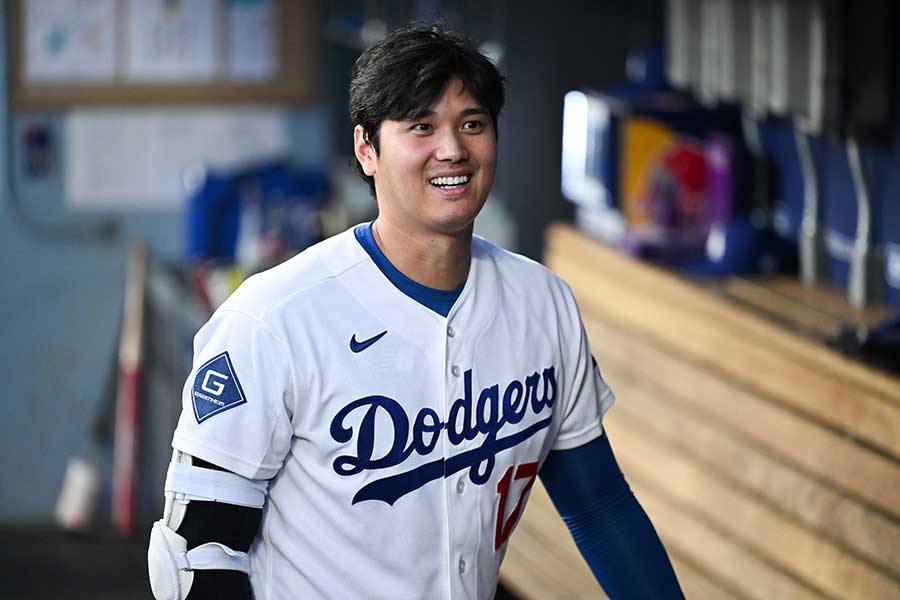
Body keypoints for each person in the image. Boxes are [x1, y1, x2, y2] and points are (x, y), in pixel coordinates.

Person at [148, 24, 685, 600]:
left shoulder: (543, 304)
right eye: (421, 127)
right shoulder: (273, 319)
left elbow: (601, 509)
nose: (452, 149)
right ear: (366, 149)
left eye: (472, 124)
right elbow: (195, 554)